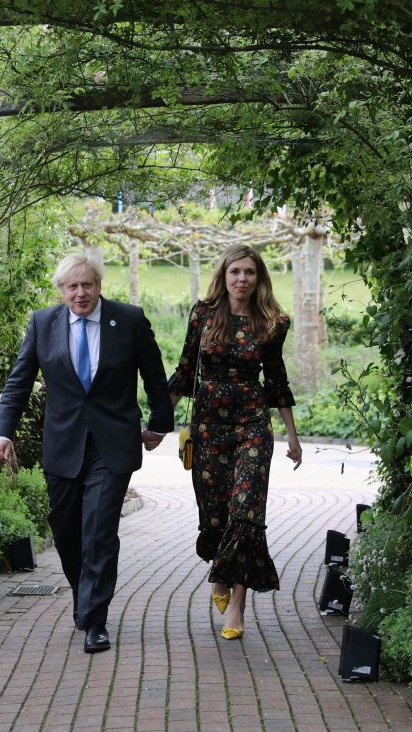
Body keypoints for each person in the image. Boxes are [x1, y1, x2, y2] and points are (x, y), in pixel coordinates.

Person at [0, 250, 173, 654]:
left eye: (87, 284)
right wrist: (2, 433)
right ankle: (83, 597)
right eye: (72, 286)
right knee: (67, 532)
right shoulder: (43, 324)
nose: (80, 293)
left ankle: (95, 620)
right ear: (61, 290)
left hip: (113, 444)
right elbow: (19, 382)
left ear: (99, 286)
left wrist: (160, 423)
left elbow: (154, 374)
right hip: (64, 443)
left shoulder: (127, 319)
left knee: (99, 531)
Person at [169, 244, 302, 640]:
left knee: (246, 513)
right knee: (215, 516)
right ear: (223, 276)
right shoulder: (204, 314)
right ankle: (220, 576)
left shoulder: (272, 322)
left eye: (249, 272)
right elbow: (186, 369)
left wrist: (292, 437)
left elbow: (277, 380)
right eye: (235, 272)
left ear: (259, 277)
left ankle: (238, 609)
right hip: (208, 428)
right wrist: (157, 423)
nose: (241, 279)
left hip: (252, 427)